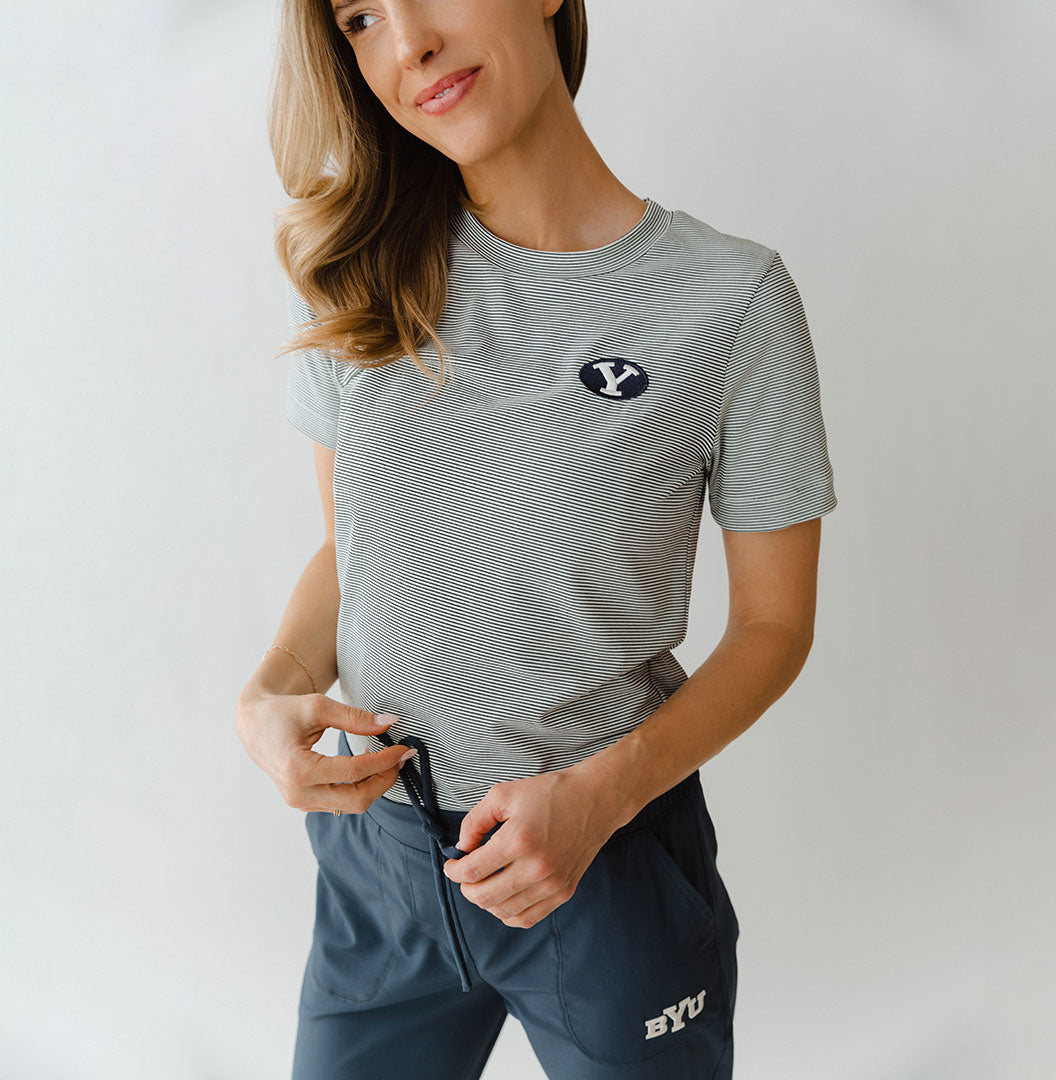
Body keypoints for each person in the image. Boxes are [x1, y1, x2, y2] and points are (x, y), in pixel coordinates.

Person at [235, 1, 839, 1077]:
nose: (408, 42)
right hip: (381, 864)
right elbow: (350, 554)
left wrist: (600, 797)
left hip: (605, 860)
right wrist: (269, 691)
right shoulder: (354, 270)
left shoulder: (730, 302)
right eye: (360, 17)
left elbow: (774, 627)